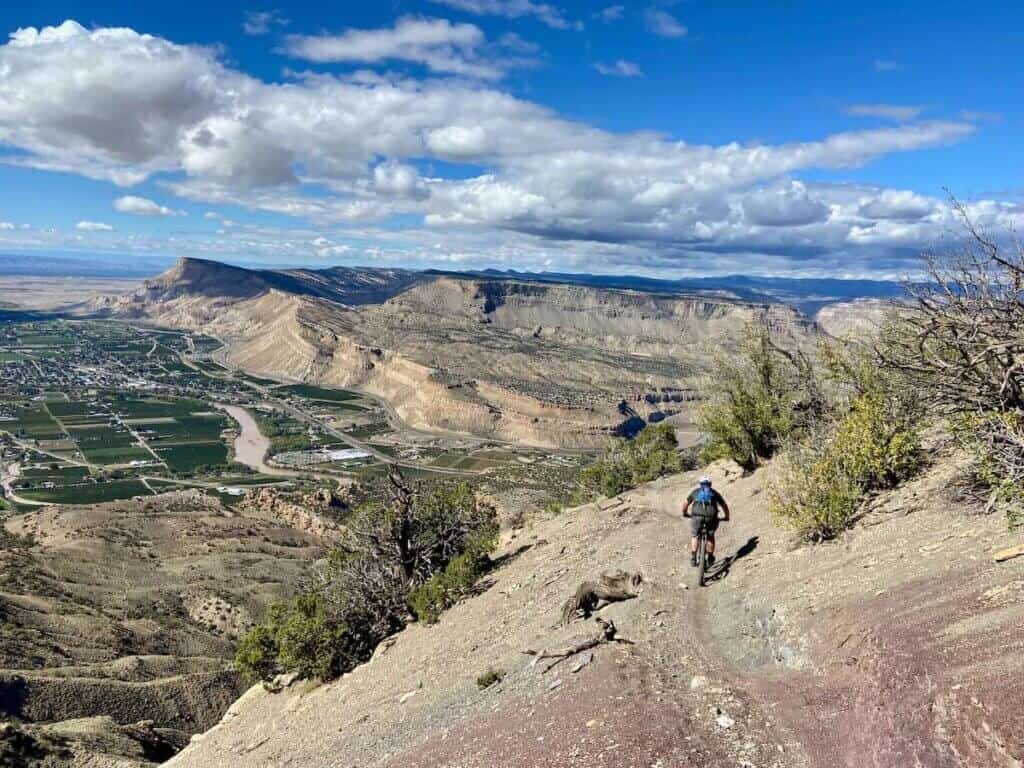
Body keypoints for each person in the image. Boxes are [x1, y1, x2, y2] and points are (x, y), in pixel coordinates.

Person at [681, 475, 729, 567]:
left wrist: (684, 513)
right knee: (710, 536)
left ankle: (693, 558)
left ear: (700, 484)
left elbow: (685, 504)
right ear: (710, 484)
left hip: (696, 517)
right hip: (711, 517)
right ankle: (710, 557)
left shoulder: (695, 492)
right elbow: (724, 505)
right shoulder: (714, 493)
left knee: (695, 536)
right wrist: (726, 516)